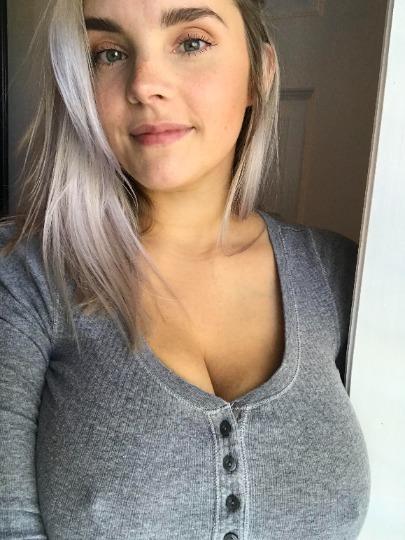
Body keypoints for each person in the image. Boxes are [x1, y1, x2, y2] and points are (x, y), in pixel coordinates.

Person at [0, 0, 370, 538]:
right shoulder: (23, 276)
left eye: (192, 42)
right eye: (108, 53)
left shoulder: (341, 275)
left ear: (259, 75)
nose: (144, 85)